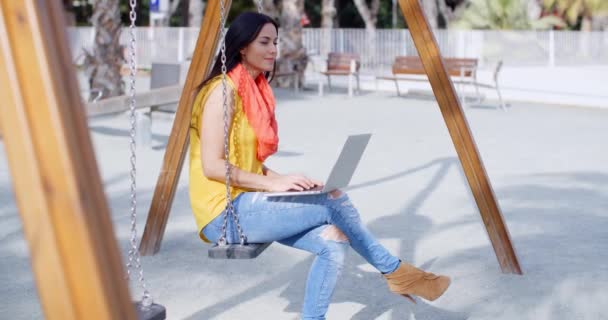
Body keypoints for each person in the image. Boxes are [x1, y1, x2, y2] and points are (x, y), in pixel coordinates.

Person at [189, 12, 451, 320]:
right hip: (223, 214)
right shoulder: (222, 92)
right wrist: (274, 185)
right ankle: (395, 271)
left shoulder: (253, 90)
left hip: (248, 202)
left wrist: (287, 180)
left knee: (334, 240)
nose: (274, 49)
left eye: (275, 41)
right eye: (264, 42)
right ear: (242, 46)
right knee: (333, 199)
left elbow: (249, 165)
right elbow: (213, 167)